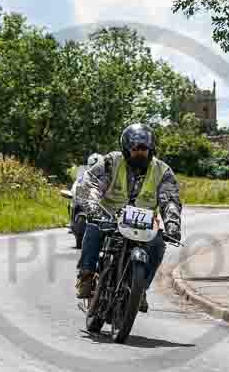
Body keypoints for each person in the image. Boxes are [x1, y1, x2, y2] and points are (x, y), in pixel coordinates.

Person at [74, 123, 182, 313]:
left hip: (144, 224)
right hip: (108, 216)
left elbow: (170, 199)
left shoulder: (162, 171)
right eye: (135, 149)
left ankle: (140, 289)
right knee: (93, 229)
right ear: (126, 149)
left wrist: (172, 224)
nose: (140, 153)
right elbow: (92, 184)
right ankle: (86, 275)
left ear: (151, 149)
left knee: (158, 245)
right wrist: (92, 207)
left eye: (144, 149)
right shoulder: (111, 162)